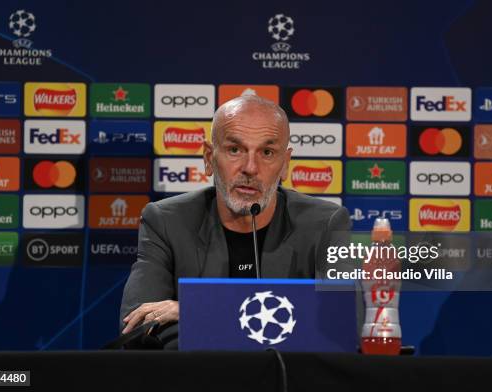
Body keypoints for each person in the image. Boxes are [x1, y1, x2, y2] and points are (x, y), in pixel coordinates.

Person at [120, 94, 351, 334]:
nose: (250, 168)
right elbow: (137, 323)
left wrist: (195, 309)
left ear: (285, 164)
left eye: (267, 153)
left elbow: (344, 319)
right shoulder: (167, 221)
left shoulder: (326, 224)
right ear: (209, 158)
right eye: (235, 149)